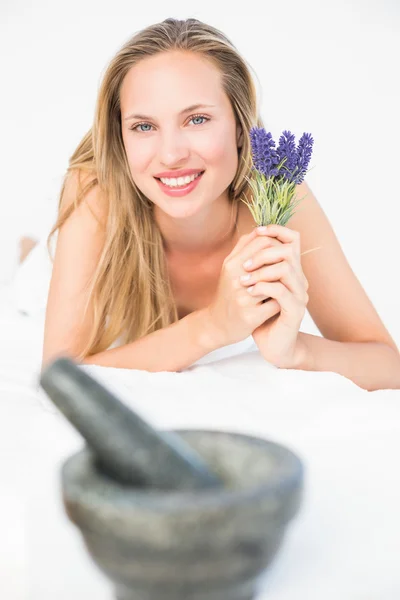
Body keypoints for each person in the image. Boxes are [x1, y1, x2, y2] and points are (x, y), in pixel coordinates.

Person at [41, 18, 400, 389]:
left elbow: (388, 364)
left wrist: (297, 353)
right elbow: (58, 378)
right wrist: (213, 325)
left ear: (240, 126)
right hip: (56, 269)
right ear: (121, 135)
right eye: (144, 126)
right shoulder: (95, 191)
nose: (170, 155)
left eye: (197, 119)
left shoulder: (278, 192)